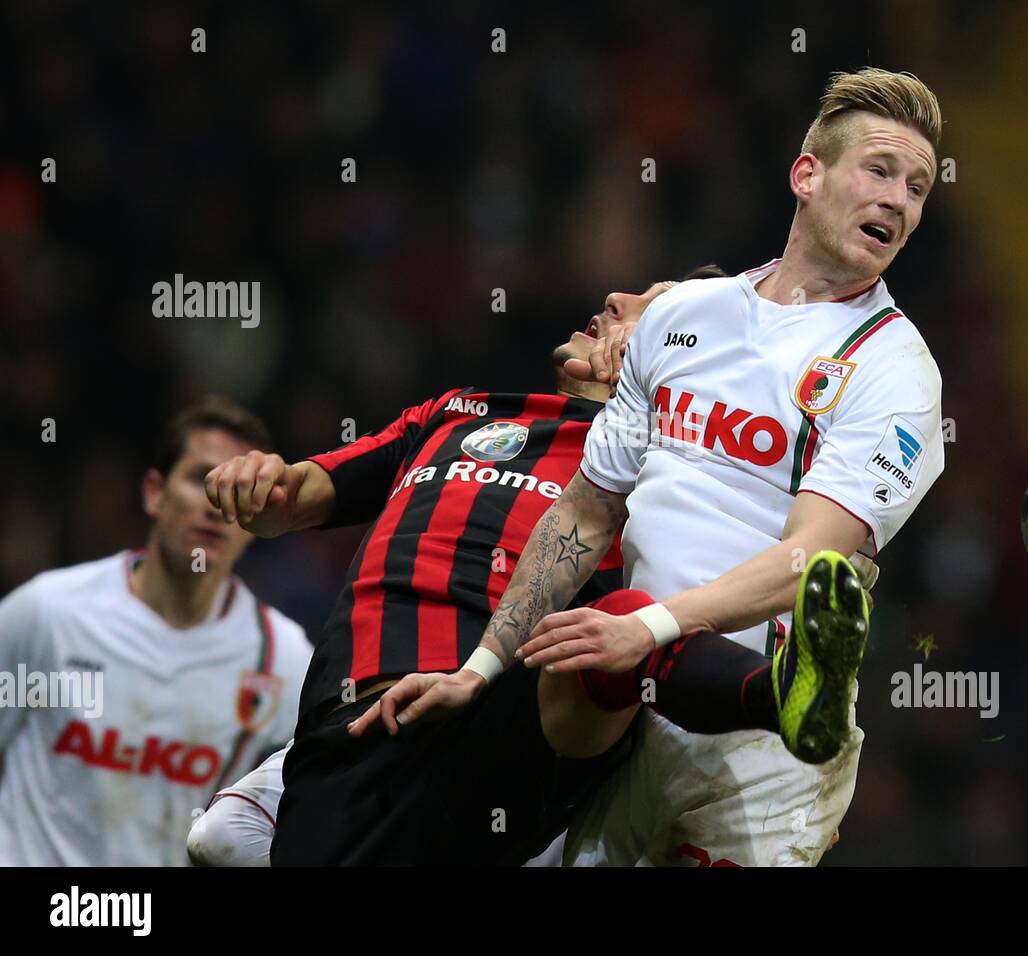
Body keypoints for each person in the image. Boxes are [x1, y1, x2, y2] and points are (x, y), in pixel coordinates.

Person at [367, 66, 946, 866]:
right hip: (624, 709)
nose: (899, 200)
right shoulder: (682, 317)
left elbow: (814, 558)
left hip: (764, 740)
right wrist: (483, 665)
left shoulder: (895, 369)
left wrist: (645, 627)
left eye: (918, 188)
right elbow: (584, 513)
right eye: (880, 171)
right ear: (806, 176)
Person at [191, 267, 860, 867]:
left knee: (614, 628)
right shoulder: (455, 413)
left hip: (510, 732)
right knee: (221, 839)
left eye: (648, 311)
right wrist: (256, 483)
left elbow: (742, 577)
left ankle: (783, 700)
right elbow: (292, 497)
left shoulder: (673, 475)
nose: (614, 297)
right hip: (358, 726)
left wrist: (789, 784)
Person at [0, 396, 312, 865]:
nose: (217, 503)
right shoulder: (46, 613)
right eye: (200, 479)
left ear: (261, 522)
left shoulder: (286, 661)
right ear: (153, 493)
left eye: (242, 490)